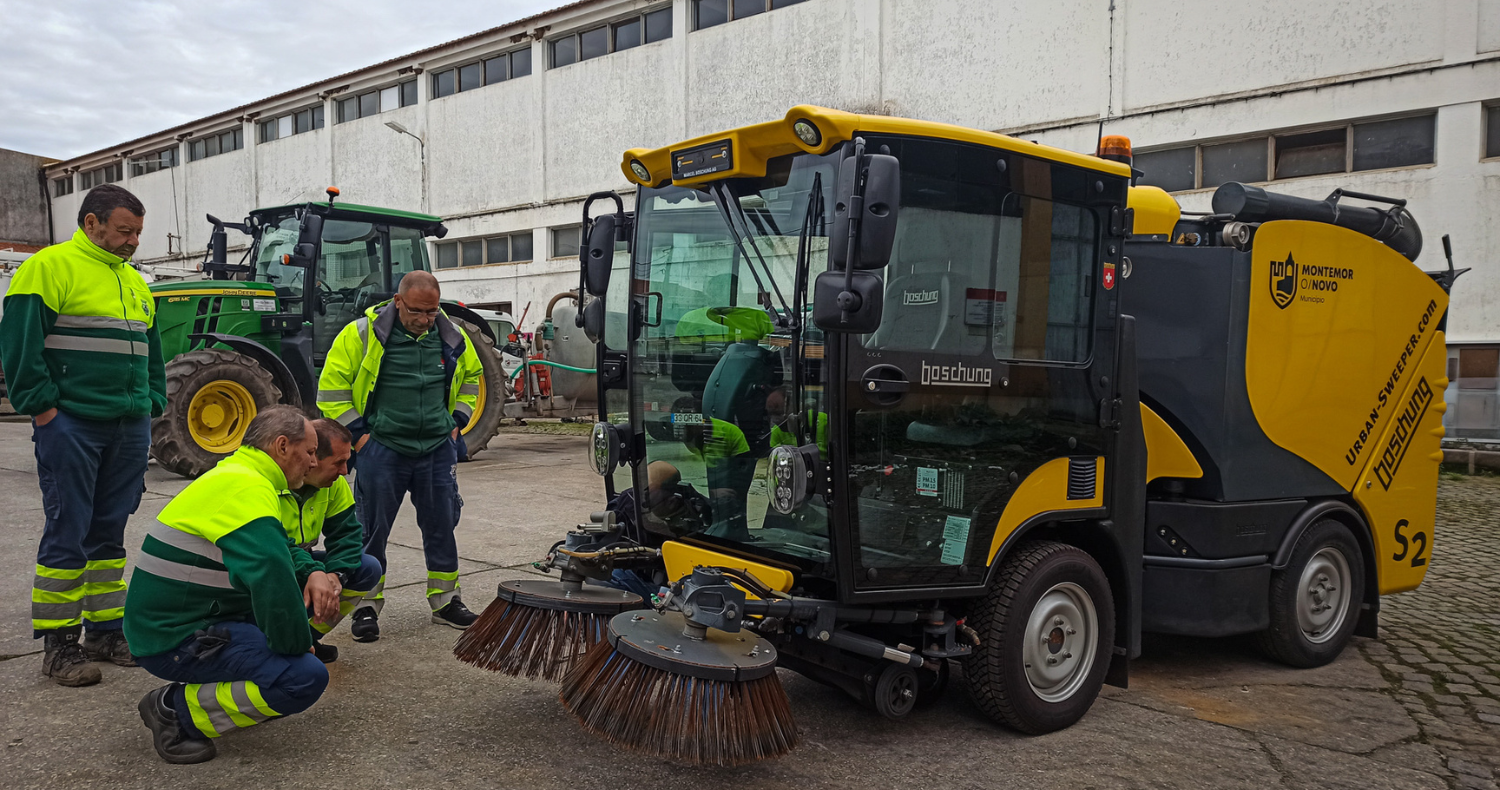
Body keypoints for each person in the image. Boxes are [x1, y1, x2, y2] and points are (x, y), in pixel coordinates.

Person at [0, 184, 165, 686]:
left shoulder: (136, 282)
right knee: (67, 531)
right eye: (124, 230)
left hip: (128, 425)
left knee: (109, 532)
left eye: (137, 232)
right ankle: (59, 644)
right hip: (72, 424)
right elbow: (19, 346)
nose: (133, 240)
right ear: (91, 223)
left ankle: (105, 631)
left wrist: (152, 403)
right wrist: (44, 410)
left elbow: (151, 353)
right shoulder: (48, 267)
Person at [125, 406, 333, 764]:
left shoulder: (240, 476)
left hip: (194, 619)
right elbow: (271, 572)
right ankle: (173, 710)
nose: (315, 463)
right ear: (282, 446)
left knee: (286, 656)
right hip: (174, 638)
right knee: (302, 677)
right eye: (311, 452)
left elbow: (280, 551)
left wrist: (312, 571)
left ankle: (219, 692)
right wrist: (295, 645)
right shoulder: (247, 489)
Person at [317, 271, 483, 640]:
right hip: (383, 450)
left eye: (432, 311)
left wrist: (456, 421)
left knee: (442, 526)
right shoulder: (361, 334)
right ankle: (364, 605)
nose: (425, 319)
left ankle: (446, 601)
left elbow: (472, 377)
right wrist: (360, 439)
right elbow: (331, 390)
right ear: (397, 301)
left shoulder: (450, 335)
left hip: (436, 450)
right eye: (417, 311)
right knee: (370, 530)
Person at [283, 418, 384, 662]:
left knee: (367, 567)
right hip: (271, 564)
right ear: (312, 458)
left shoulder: (333, 484)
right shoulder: (273, 484)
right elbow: (275, 548)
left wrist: (335, 575)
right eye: (338, 462)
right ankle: (278, 644)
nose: (345, 471)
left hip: (300, 562)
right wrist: (314, 572)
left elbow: (347, 535)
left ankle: (305, 639)